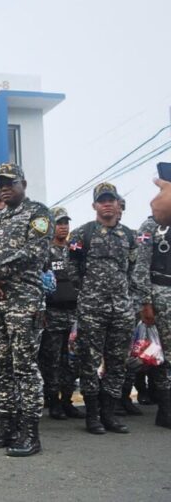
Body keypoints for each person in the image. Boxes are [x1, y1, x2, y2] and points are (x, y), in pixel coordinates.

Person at [0, 163, 52, 457]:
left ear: (24, 183)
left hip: (23, 302)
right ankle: (6, 427)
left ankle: (30, 433)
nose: (4, 188)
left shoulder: (38, 213)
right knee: (0, 366)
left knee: (24, 367)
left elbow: (36, 252)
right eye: (0, 183)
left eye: (10, 182)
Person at [67, 182, 136, 435]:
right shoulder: (81, 234)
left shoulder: (129, 236)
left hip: (121, 309)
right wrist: (88, 292)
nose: (107, 204)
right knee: (89, 361)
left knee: (118, 362)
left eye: (111, 199)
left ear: (118, 204)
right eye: (102, 200)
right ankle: (93, 415)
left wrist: (126, 298)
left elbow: (132, 271)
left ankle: (109, 415)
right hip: (91, 308)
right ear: (94, 205)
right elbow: (72, 269)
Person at [40, 207, 84, 420]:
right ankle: (54, 402)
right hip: (53, 314)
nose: (63, 226)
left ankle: (67, 400)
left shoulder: (75, 249)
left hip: (74, 314)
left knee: (72, 360)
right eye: (59, 222)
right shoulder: (45, 250)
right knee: (53, 360)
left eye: (66, 222)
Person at [130, 213, 171, 428]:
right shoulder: (151, 225)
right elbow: (141, 266)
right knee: (163, 354)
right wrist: (146, 301)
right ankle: (165, 410)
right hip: (161, 293)